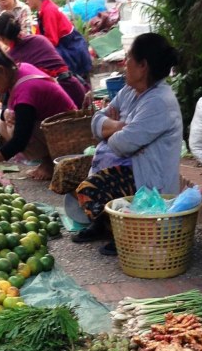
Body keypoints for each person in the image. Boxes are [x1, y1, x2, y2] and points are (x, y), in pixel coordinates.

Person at [71, 33, 182, 256]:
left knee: (90, 190)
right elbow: (96, 122)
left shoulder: (159, 102)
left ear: (143, 66)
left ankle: (125, 233)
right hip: (124, 166)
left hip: (148, 182)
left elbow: (122, 145)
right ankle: (104, 223)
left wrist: (111, 129)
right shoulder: (130, 91)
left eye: (129, 58)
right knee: (69, 171)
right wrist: (121, 126)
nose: (125, 64)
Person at [0, 47, 77, 180]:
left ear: (1, 70)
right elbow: (6, 105)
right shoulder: (18, 70)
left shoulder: (26, 91)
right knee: (3, 122)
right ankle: (47, 159)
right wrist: (6, 112)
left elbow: (19, 141)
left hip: (68, 134)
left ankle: (50, 161)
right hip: (54, 125)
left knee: (13, 128)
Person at [0, 12, 87, 107]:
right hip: (76, 90)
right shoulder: (40, 39)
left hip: (55, 101)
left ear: (1, 38)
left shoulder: (11, 60)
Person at [24, 0, 93, 86]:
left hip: (70, 50)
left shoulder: (48, 11)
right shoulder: (43, 10)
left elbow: (51, 41)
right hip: (64, 47)